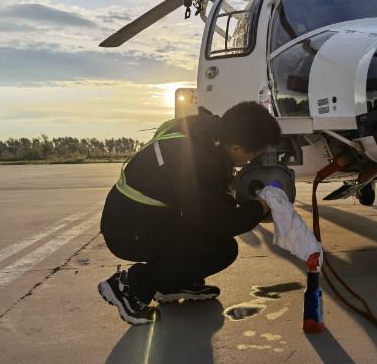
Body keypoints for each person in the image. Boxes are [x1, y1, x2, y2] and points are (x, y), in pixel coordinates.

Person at [98, 101, 282, 325]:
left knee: (207, 237)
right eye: (252, 156)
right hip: (129, 231)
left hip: (138, 217)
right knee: (221, 249)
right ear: (236, 148)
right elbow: (221, 222)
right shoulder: (199, 160)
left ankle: (173, 285)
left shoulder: (201, 132)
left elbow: (209, 204)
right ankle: (129, 287)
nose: (250, 161)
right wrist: (260, 207)